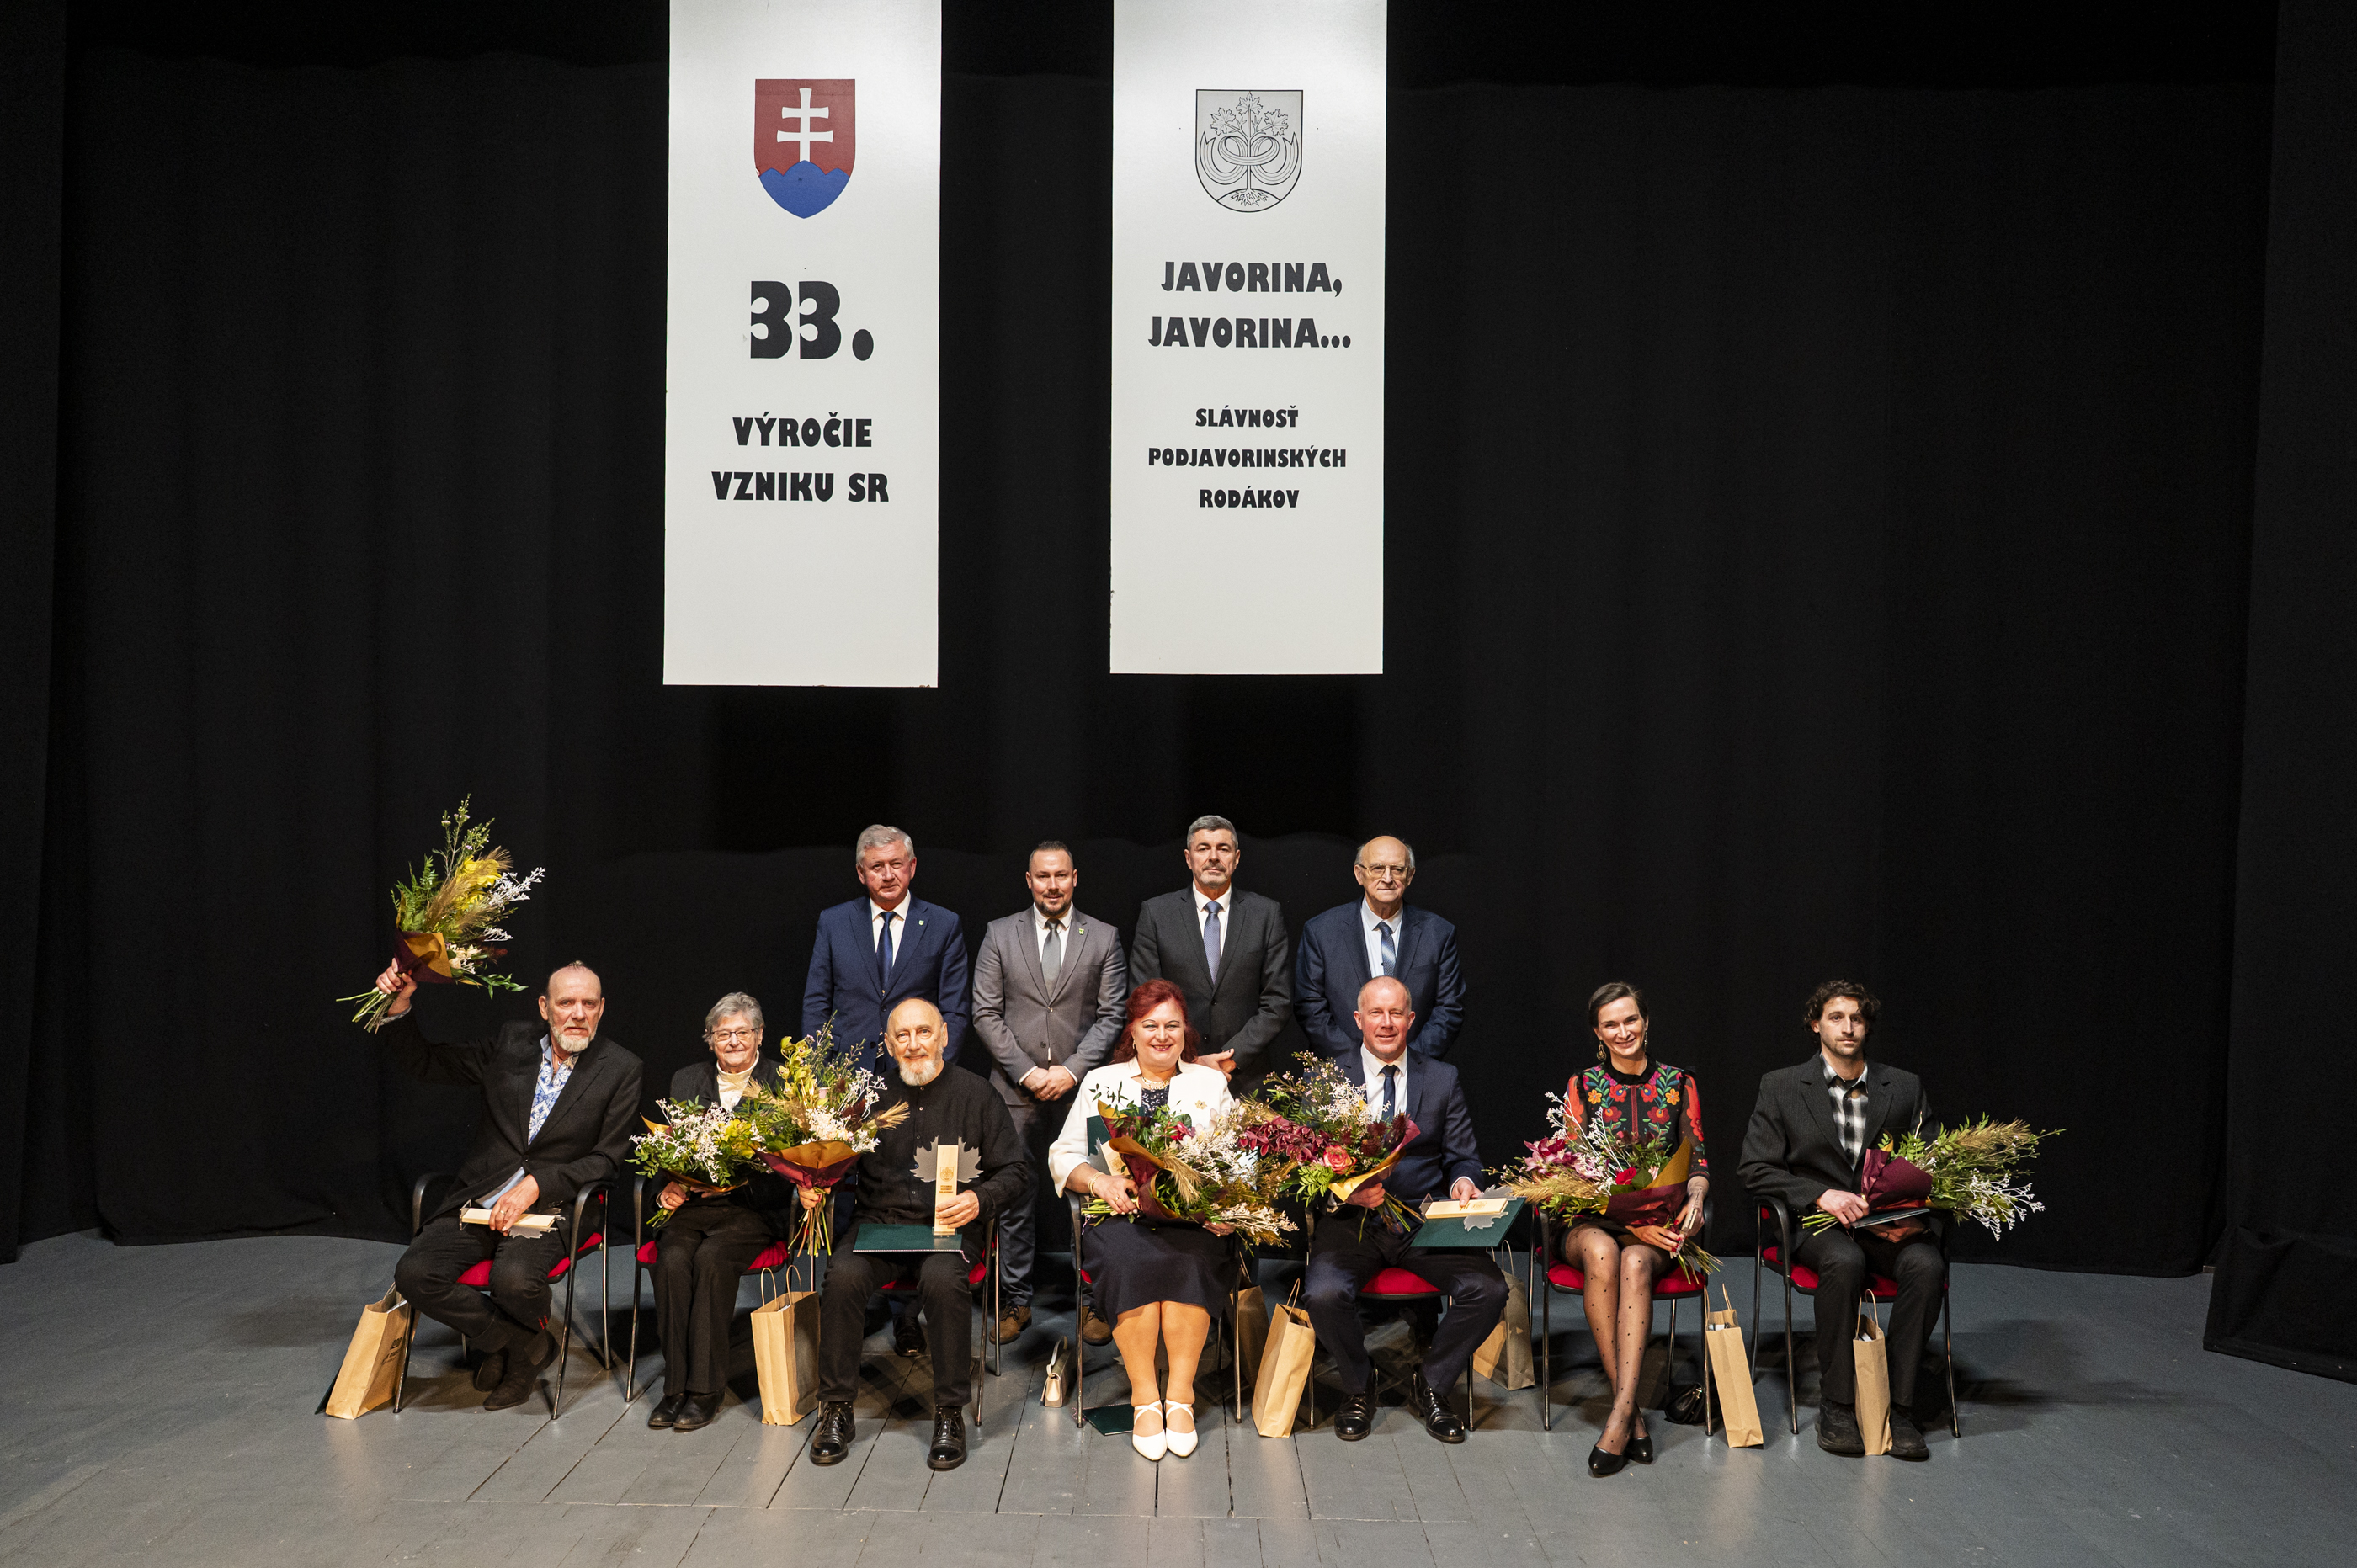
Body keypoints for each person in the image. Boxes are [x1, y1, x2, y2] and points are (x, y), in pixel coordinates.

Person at [374, 959, 642, 1411]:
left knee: (514, 1281)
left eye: (589, 1003)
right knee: (415, 1274)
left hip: (555, 1206)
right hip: (482, 1197)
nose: (578, 1014)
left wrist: (538, 1184)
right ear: (544, 1007)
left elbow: (606, 1159)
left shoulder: (621, 1067)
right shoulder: (511, 1043)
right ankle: (524, 1347)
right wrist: (398, 1007)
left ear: (601, 1008)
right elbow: (426, 1062)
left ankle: (512, 1360)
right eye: (566, 1003)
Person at [804, 998, 1027, 1474]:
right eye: (901, 1036)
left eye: (923, 1032)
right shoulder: (867, 1098)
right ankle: (836, 1408)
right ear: (888, 1044)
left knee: (944, 1281)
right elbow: (831, 1162)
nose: (913, 1044)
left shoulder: (977, 1095)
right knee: (842, 1276)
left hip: (948, 1226)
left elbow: (1015, 1171)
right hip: (878, 1225)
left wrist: (979, 1199)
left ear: (943, 1035)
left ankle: (949, 1412)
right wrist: (814, 1184)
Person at [1738, 980, 1944, 1462]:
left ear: (1867, 1026)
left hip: (1887, 1225)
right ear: (1816, 1025)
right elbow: (1755, 1168)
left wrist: (1913, 1215)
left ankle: (1900, 1406)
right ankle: (1839, 1404)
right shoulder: (1782, 1086)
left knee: (1927, 1265)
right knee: (1844, 1261)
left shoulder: (1904, 1086)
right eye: (1836, 1017)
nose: (1847, 1027)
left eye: (1856, 1018)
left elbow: (1935, 1161)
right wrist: (1820, 1195)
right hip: (1816, 1225)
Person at [1301, 976, 1505, 1445]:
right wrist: (1344, 1193)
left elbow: (1464, 1156)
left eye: (1396, 1013)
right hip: (1351, 1222)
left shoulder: (1442, 1077)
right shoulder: (1327, 1080)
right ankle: (1359, 1385)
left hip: (1421, 1221)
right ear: (1359, 1020)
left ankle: (1431, 1382)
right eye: (1376, 1013)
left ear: (1411, 1019)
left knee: (1489, 1289)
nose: (1386, 1023)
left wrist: (1463, 1181)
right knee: (1324, 1295)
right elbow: (1305, 1167)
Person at [1046, 980, 1237, 1461]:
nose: (1161, 1035)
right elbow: (1064, 1156)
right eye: (1150, 1025)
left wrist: (1226, 1207)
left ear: (1185, 1031)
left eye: (1172, 1025)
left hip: (1193, 1222)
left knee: (1190, 1263)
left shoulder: (1209, 1084)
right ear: (1131, 1031)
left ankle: (1182, 1397)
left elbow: (1239, 1161)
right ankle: (1146, 1398)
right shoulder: (1101, 1082)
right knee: (1131, 1263)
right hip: (1121, 1217)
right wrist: (1100, 1183)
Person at [970, 840, 1131, 1347]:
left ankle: (1093, 1301)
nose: (1053, 885)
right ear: (1029, 880)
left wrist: (1072, 1071)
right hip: (1013, 1091)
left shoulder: (1103, 936)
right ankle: (1016, 1300)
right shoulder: (1000, 933)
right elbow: (985, 1013)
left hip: (1085, 1091)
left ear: (1075, 878)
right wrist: (1027, 1072)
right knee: (1014, 1196)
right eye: (1043, 876)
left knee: (1092, 1195)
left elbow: (1113, 1014)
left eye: (1061, 875)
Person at [1556, 982, 1710, 1477]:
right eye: (1611, 1025)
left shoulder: (1679, 1082)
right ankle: (1630, 1414)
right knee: (1604, 1252)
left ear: (1646, 1022)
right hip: (1593, 1218)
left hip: (1659, 1224)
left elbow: (1698, 1160)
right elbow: (1573, 1173)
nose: (1623, 1032)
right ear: (1597, 1033)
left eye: (1630, 1020)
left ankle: (1622, 1415)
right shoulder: (1582, 1085)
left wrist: (1697, 1197)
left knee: (1638, 1260)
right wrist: (1628, 1223)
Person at [644, 991, 795, 1433]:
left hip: (753, 1208)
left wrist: (739, 1183)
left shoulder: (783, 1084)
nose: (733, 1041)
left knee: (711, 1260)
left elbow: (792, 1164)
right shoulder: (686, 1080)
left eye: (742, 1032)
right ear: (710, 1039)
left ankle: (706, 1389)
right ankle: (675, 1387)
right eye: (722, 1033)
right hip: (694, 1205)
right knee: (673, 1259)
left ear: (760, 1036)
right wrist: (667, 1188)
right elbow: (666, 1150)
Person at [1128, 815, 1292, 1081]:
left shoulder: (1265, 914)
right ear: (1188, 858)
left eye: (1223, 849)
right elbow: (1144, 1001)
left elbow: (1278, 1001)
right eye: (1203, 848)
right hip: (1175, 1072)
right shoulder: (1156, 914)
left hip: (1245, 1075)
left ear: (1236, 859)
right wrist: (1190, 1062)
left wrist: (1231, 1059)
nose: (1213, 857)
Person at [801, 824, 971, 1073]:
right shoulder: (834, 922)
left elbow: (955, 1011)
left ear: (912, 866)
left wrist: (938, 1071)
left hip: (916, 1068)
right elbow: (816, 1003)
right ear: (861, 873)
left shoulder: (943, 924)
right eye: (877, 867)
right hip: (843, 1070)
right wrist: (817, 1071)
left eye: (896, 864)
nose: (888, 875)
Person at [1293, 835, 1465, 1061]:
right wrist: (1359, 1063)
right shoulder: (1321, 931)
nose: (1387, 878)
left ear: (1410, 876)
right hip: (1342, 1071)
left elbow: (1449, 1009)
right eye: (1377, 868)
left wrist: (1409, 1062)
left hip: (1416, 1070)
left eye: (1397, 870)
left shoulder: (1438, 933)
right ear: (1359, 874)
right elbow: (1309, 1005)